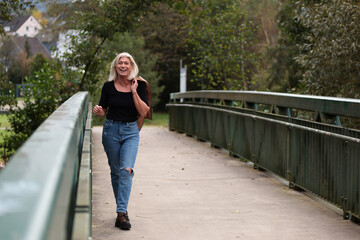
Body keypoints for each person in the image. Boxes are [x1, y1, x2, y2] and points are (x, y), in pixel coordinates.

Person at [93, 52, 151, 230]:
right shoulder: (108, 87)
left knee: (126, 170)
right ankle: (121, 213)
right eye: (120, 63)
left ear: (131, 66)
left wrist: (133, 92)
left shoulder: (139, 85)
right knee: (116, 172)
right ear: (115, 67)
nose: (123, 66)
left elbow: (144, 111)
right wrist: (99, 111)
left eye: (126, 63)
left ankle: (121, 213)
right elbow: (104, 110)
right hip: (111, 130)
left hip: (130, 132)